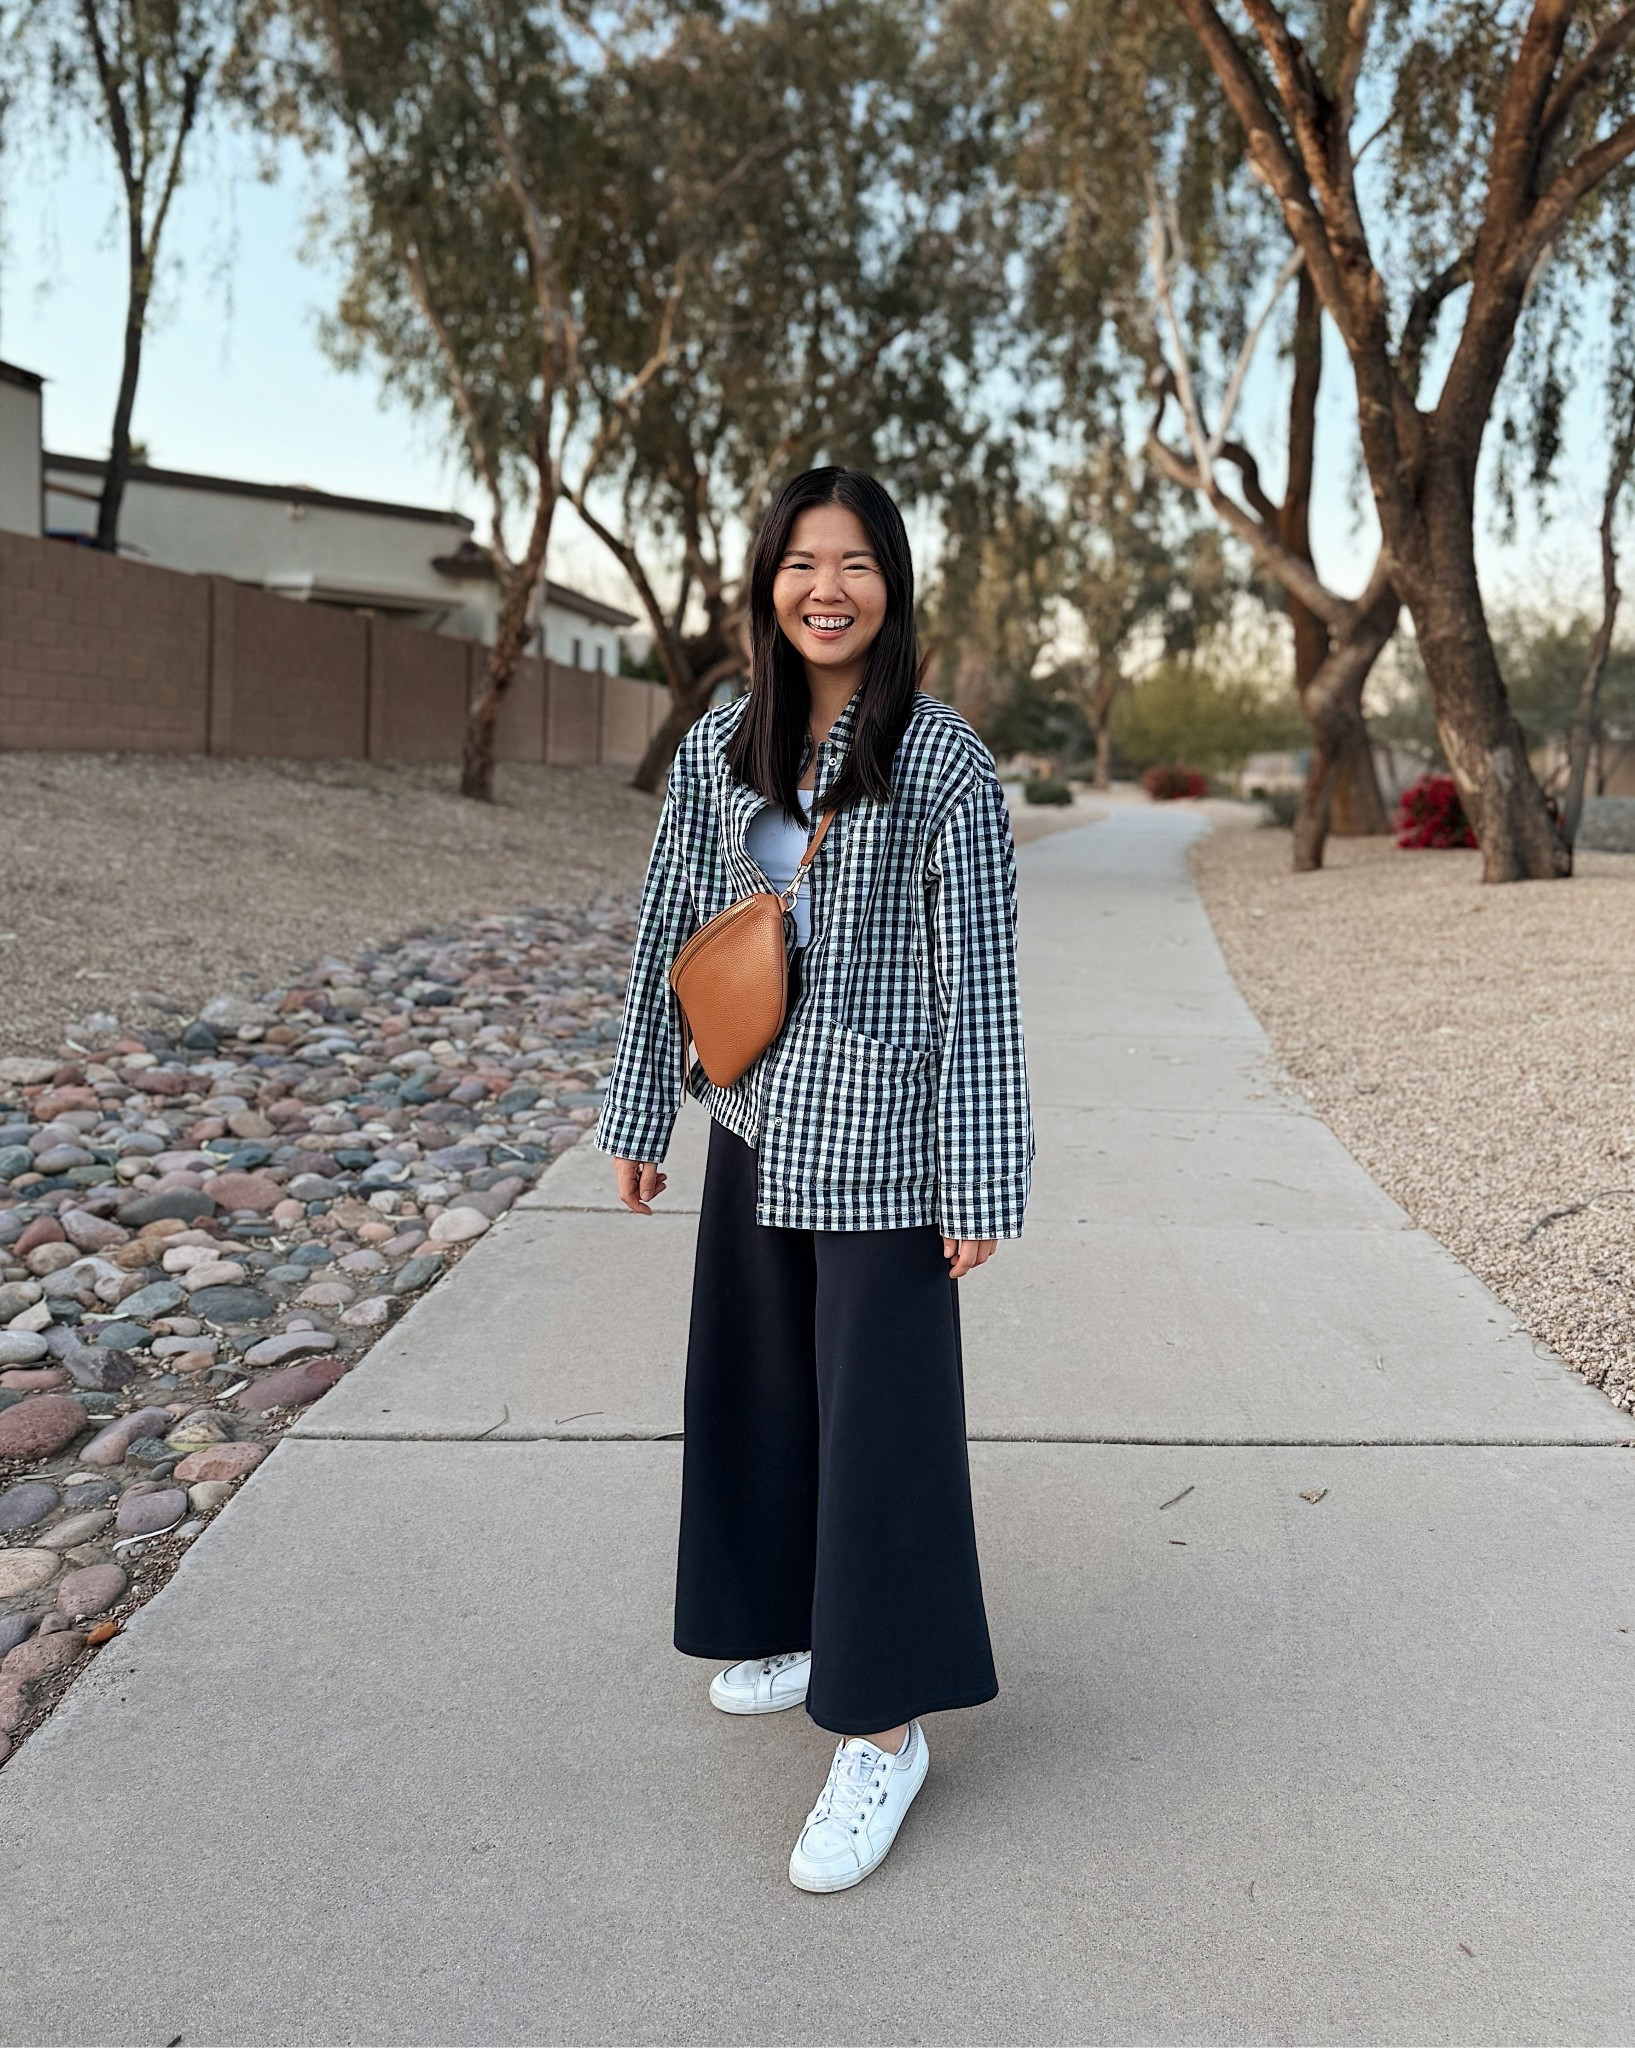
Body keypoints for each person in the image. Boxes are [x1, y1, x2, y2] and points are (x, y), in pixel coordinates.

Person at [595, 465, 1033, 1893]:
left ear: (892, 586)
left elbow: (981, 986)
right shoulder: (724, 742)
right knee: (760, 1388)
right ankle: (786, 1630)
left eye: (853, 563)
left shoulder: (945, 762)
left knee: (882, 1436)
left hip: (888, 1150)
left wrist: (976, 1178)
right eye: (800, 562)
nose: (825, 588)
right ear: (766, 583)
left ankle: (884, 1727)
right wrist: (639, 1109)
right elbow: (672, 922)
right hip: (753, 1121)